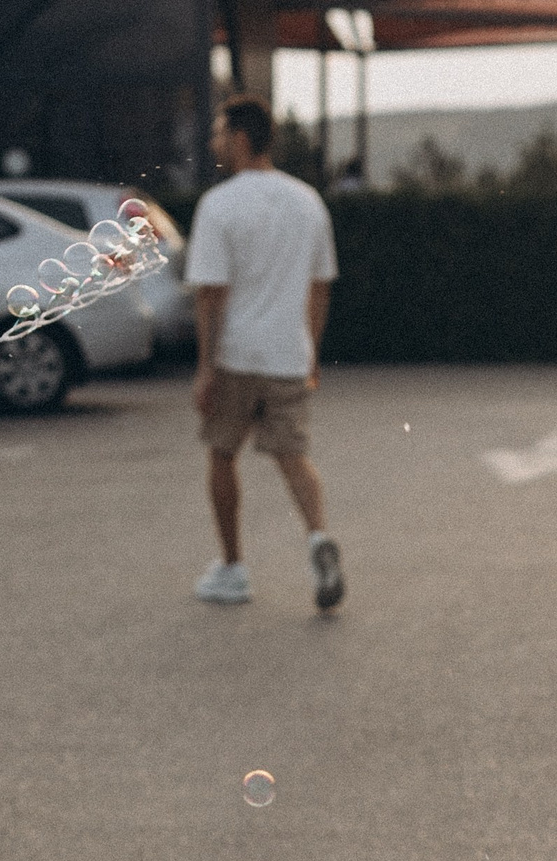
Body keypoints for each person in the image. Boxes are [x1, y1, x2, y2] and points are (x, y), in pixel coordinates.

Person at [185, 95, 343, 610]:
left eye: (219, 133)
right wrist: (311, 350)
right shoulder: (307, 201)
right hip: (288, 353)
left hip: (235, 355)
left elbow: (211, 294)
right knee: (294, 456)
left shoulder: (219, 204)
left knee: (222, 454)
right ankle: (318, 538)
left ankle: (233, 569)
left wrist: (205, 367)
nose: (214, 143)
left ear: (240, 139)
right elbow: (320, 287)